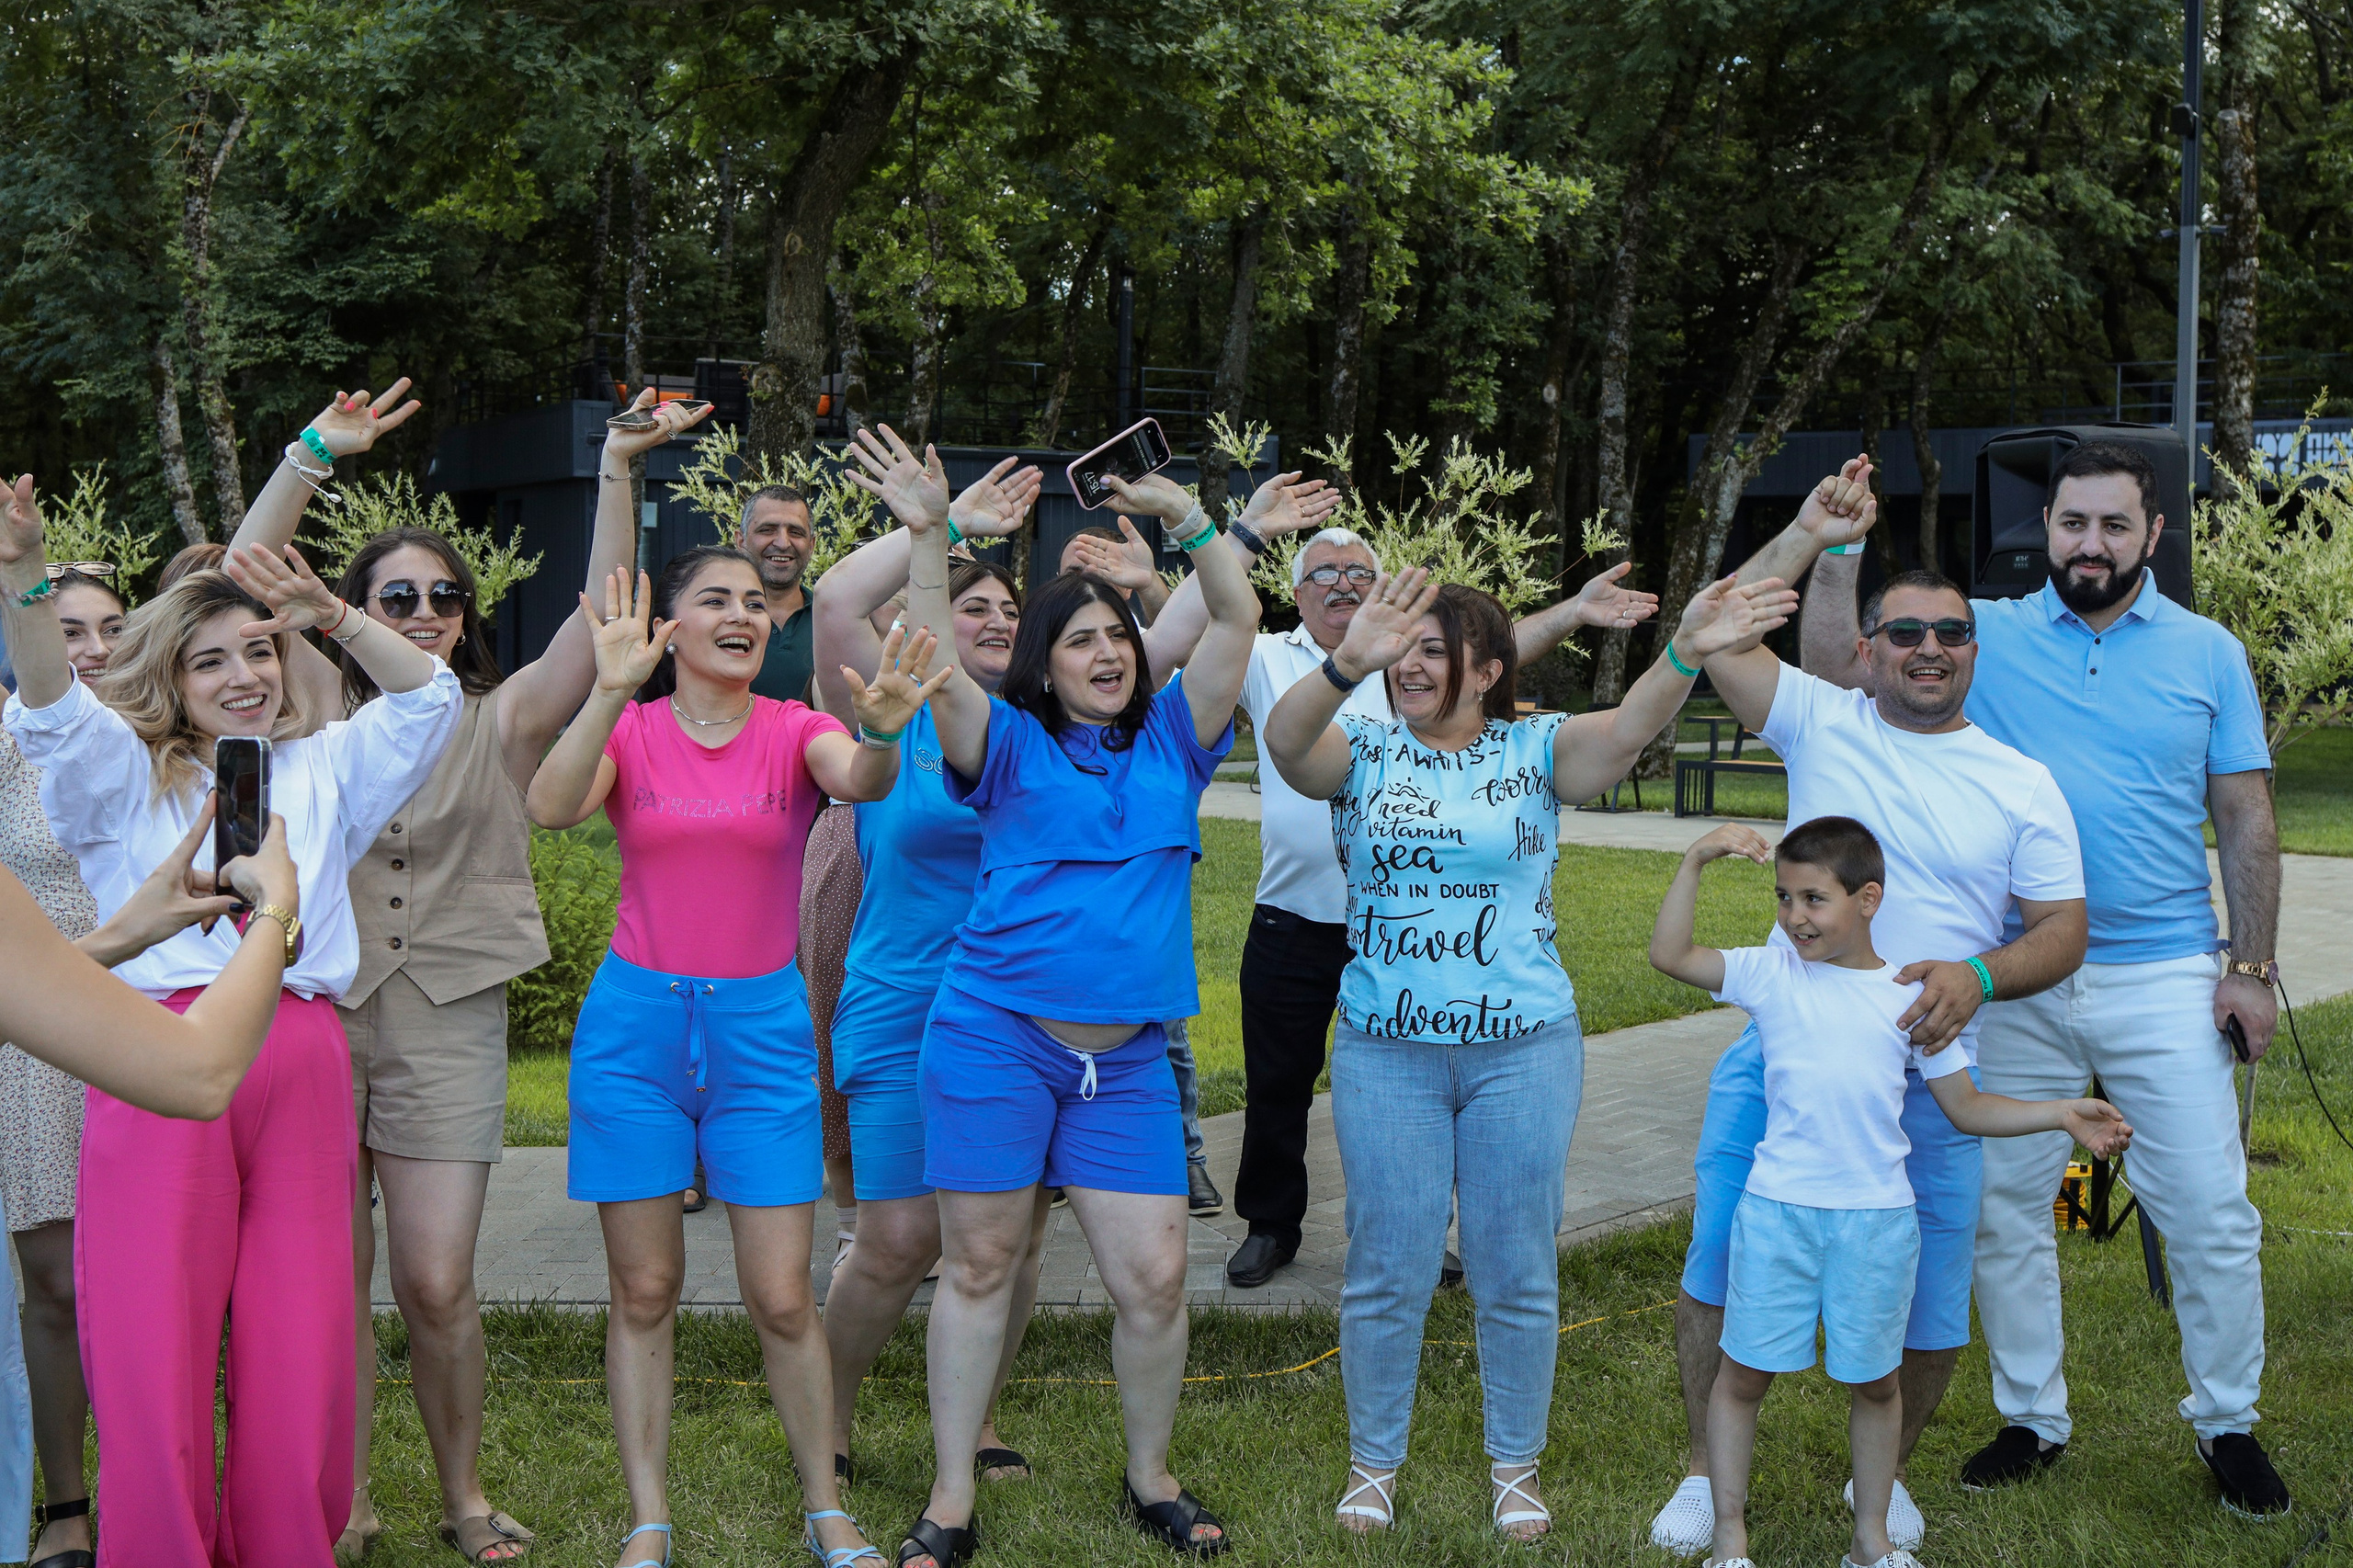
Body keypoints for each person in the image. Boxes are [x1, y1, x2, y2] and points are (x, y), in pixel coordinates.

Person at [222, 380, 706, 1562]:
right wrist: (308, 456)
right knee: (323, 1277)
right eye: (402, 595)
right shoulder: (316, 698)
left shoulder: (500, 716)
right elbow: (243, 574)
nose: (429, 610)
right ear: (354, 605)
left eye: (446, 596)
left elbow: (602, 616)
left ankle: (464, 1489)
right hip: (315, 1008)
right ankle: (339, 1495)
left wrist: (617, 472)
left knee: (436, 1280)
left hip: (450, 1012)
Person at [1798, 440, 2291, 1515]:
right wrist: (1835, 550)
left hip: (2162, 969)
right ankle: (2032, 1414)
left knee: (2207, 1206)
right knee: (2002, 1209)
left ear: (2152, 535)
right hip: (2008, 972)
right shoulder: (1982, 632)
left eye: (2115, 525)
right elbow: (1843, 662)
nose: (2091, 543)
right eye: (2073, 522)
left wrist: (2249, 968)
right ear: (2047, 528)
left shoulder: (2210, 651)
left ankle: (2227, 1422)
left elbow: (2245, 813)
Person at [1260, 565, 1797, 1539]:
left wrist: (1687, 646)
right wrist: (1345, 663)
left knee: (1514, 1265)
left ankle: (1516, 1465)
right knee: (1389, 1261)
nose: (1409, 663)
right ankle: (1372, 1463)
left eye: (1433, 648)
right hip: (1388, 1051)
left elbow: (1630, 724)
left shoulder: (1536, 747)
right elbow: (1284, 739)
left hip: (1523, 1051)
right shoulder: (1364, 749)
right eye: (1402, 647)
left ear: (1487, 668)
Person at [1, 472, 465, 1566]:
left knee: (299, 1337)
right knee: (152, 1341)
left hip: (298, 1050)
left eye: (258, 652)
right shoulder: (116, 775)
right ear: (167, 674)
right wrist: (24, 573)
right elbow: (51, 704)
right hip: (155, 1047)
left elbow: (428, 699)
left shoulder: (330, 763)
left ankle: (285, 1547)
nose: (245, 676)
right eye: (211, 659)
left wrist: (329, 614)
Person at [1644, 466, 2090, 1559]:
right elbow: (1715, 629)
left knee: (1932, 1300)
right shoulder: (1821, 718)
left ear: (1973, 648)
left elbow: (2062, 927)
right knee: (1716, 1265)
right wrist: (1809, 531)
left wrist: (1976, 977)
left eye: (1950, 631)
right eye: (1904, 632)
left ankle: (1876, 1494)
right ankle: (1706, 1471)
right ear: (1870, 648)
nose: (1927, 648)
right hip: (1787, 1052)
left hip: (1934, 1063)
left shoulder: (2020, 780)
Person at [526, 551, 945, 1568]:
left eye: (755, 602)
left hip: (761, 1036)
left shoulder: (797, 729)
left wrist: (884, 725)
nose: (741, 614)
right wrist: (611, 687)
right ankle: (648, 1519)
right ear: (667, 625)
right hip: (636, 1035)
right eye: (713, 598)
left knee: (782, 1293)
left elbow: (863, 776)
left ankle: (825, 1510)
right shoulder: (627, 727)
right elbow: (550, 804)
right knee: (644, 1288)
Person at [886, 443, 1257, 1568]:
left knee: (1153, 1276)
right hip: (995, 1040)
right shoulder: (1000, 744)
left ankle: (1151, 1478)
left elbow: (1234, 623)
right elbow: (938, 658)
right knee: (982, 1265)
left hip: (1128, 1062)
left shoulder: (1176, 744)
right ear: (1043, 667)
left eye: (1115, 637)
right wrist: (927, 537)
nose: (1102, 651)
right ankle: (951, 1496)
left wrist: (1191, 518)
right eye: (1077, 639)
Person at [1649, 817, 2132, 1568]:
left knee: (1876, 1385)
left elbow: (1967, 1108)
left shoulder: (1909, 995)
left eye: (1813, 899)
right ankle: (1729, 1540)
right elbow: (1670, 954)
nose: (1794, 917)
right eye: (1784, 898)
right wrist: (1695, 861)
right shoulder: (1770, 974)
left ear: (1868, 899)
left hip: (1876, 1225)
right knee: (1742, 1378)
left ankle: (1869, 1542)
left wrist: (2060, 1114)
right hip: (1777, 1216)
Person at [1221, 524, 1658, 1289]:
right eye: (1324, 572)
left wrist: (1573, 613)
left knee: (1425, 1121)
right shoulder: (1282, 661)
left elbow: (1484, 649)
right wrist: (1231, 539)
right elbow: (1238, 651)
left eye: (1359, 570)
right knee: (1279, 1084)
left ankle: (1431, 1231)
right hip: (1298, 916)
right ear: (1296, 592)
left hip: (1419, 948)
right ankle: (1271, 1224)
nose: (1344, 583)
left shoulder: (1414, 658)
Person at [817, 433, 1047, 1484]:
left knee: (1009, 1238)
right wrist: (938, 527)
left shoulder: (1043, 729)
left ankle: (984, 1415)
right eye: (974, 606)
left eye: (1009, 610)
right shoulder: (892, 714)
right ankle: (827, 1408)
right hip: (903, 1000)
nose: (996, 619)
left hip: (1021, 1013)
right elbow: (831, 600)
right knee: (900, 1235)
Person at [0, 561, 124, 1568]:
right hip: (40, 1039)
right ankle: (65, 1501)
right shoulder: (6, 743)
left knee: (153, 1276)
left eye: (111, 627)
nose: (92, 648)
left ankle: (154, 1479)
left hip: (151, 1024)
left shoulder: (170, 740)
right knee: (55, 1281)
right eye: (69, 627)